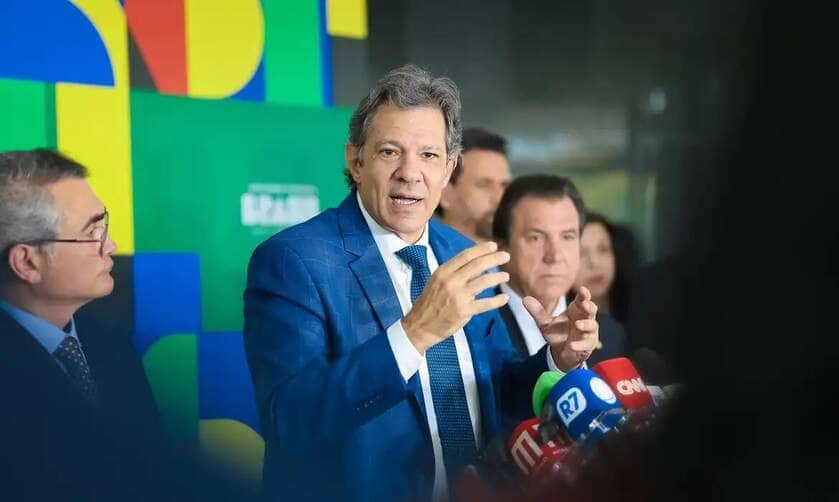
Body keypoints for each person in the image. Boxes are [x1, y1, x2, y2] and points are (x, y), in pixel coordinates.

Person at [243, 65, 600, 502]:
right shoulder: (295, 261)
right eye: (391, 152)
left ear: (449, 168)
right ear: (355, 161)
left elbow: (498, 393)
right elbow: (290, 421)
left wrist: (556, 361)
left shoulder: (465, 254)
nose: (410, 173)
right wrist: (414, 334)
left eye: (429, 155)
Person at [0, 148, 161, 499]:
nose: (111, 245)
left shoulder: (110, 340)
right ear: (27, 262)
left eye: (105, 225)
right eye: (93, 232)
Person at [492, 175, 625, 366]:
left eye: (567, 237)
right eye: (536, 238)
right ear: (502, 246)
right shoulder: (476, 329)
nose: (554, 256)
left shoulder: (609, 332)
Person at [437, 127, 512, 242]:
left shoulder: (521, 258)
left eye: (504, 186)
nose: (499, 198)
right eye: (484, 185)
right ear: (445, 194)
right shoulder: (420, 257)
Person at [572, 212, 640, 326]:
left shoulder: (642, 314)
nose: (594, 262)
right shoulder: (557, 331)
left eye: (603, 249)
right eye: (581, 253)